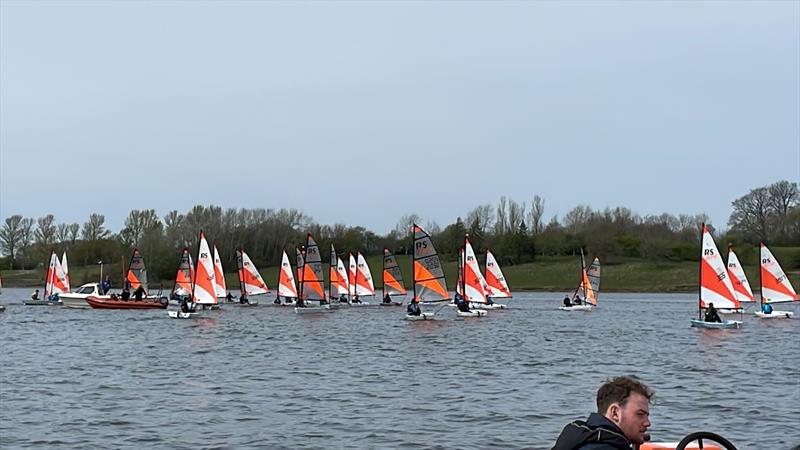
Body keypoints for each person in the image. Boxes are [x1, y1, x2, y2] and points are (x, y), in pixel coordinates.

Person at [552, 375, 653, 450]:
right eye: (640, 414)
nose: (647, 423)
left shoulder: (580, 438)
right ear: (615, 413)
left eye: (647, 416)